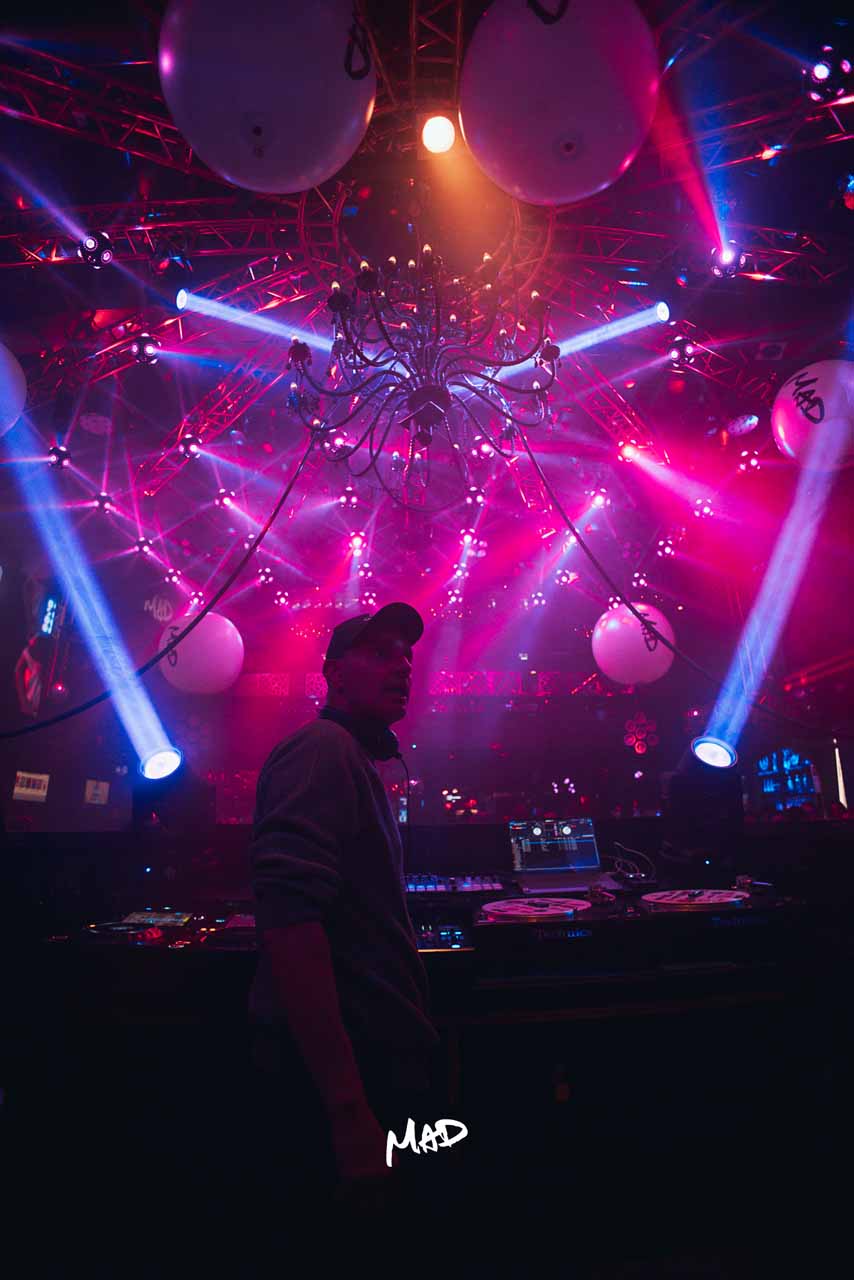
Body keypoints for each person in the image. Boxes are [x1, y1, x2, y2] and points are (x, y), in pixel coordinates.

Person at [246, 603, 444, 1237]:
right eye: (381, 653)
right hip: (355, 1072)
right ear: (333, 673)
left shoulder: (350, 756)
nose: (403, 665)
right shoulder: (321, 749)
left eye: (406, 655)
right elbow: (290, 927)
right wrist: (348, 1109)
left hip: (372, 1061)